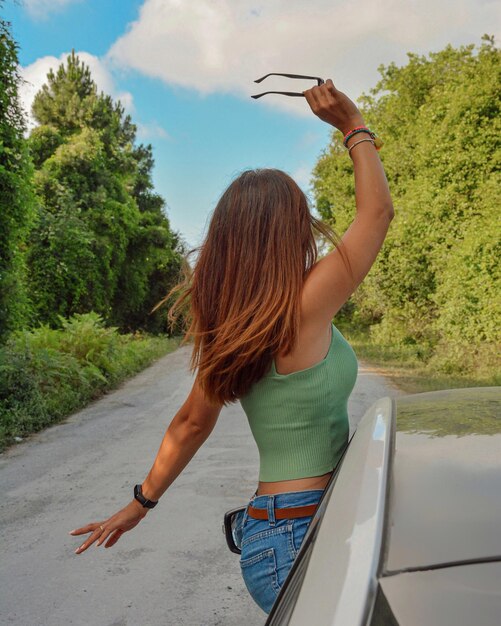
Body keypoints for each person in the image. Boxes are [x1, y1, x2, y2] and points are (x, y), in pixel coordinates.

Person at [69, 79, 394, 615]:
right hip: (299, 530)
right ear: (289, 231)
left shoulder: (233, 328)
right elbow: (376, 214)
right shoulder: (306, 304)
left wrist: (140, 503)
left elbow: (190, 424)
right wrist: (354, 126)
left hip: (276, 535)